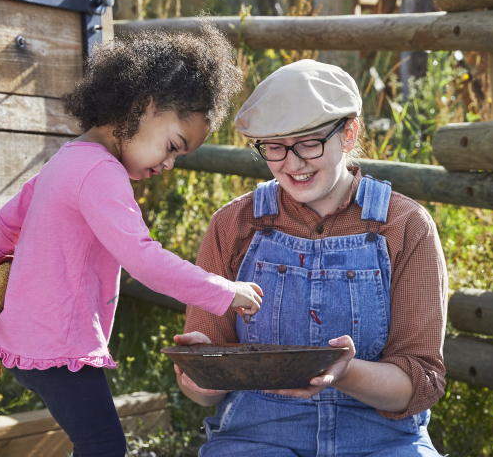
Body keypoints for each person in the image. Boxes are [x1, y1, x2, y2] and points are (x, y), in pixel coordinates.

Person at [0, 24, 264, 457]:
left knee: (94, 443)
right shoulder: (102, 173)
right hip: (59, 345)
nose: (169, 164)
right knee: (104, 447)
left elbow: (5, 224)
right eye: (173, 145)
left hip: (29, 338)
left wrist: (0, 286)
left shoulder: (66, 159)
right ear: (144, 105)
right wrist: (224, 291)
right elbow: (144, 260)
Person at [173, 59, 448, 457]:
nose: (292, 163)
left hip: (381, 439)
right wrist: (201, 373)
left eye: (308, 143)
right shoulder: (234, 225)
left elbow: (420, 382)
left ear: (349, 133)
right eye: (275, 147)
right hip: (256, 436)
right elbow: (207, 397)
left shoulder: (405, 226)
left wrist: (345, 373)